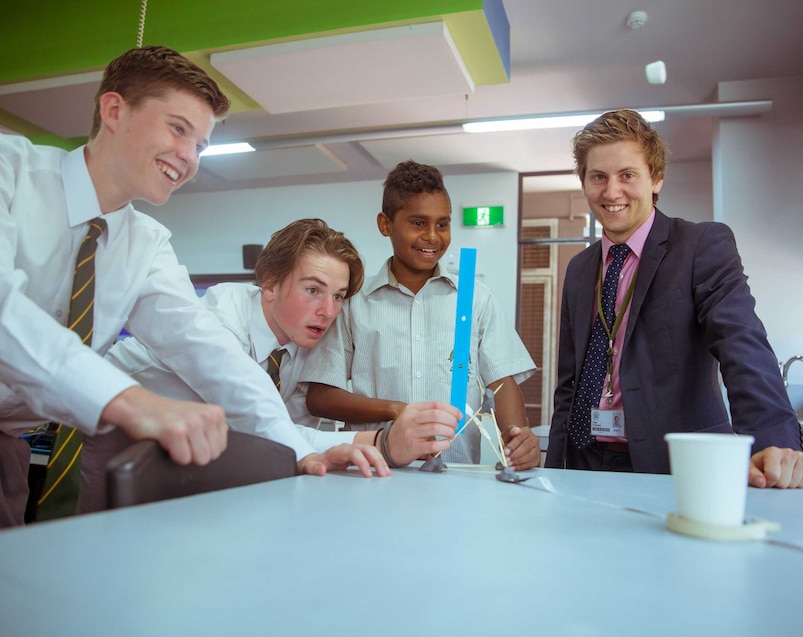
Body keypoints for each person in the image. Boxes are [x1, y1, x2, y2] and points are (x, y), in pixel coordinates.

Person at [0, 46, 385, 528]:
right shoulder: (9, 171)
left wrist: (295, 452)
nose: (188, 158)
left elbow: (211, 355)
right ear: (114, 110)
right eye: (178, 129)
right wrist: (131, 401)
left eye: (201, 145)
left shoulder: (145, 244)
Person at [83, 218, 461, 511]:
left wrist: (384, 444)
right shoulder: (220, 321)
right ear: (269, 284)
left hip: (187, 454)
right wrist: (378, 443)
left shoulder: (300, 346)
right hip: (101, 431)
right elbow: (256, 420)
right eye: (313, 290)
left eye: (339, 296)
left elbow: (288, 433)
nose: (328, 312)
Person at [545, 109, 803, 489]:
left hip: (676, 465)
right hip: (586, 462)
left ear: (655, 179)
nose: (611, 192)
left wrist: (774, 441)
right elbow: (569, 384)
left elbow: (742, 343)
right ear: (584, 182)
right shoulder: (579, 268)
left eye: (627, 175)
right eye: (598, 177)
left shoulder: (701, 246)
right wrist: (555, 467)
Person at [302, 160, 540, 469]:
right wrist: (395, 410)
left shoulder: (474, 298)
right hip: (376, 473)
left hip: (456, 477)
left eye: (442, 224)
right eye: (418, 223)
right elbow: (320, 396)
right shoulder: (353, 302)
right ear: (385, 224)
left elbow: (501, 381)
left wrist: (517, 437)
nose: (432, 236)